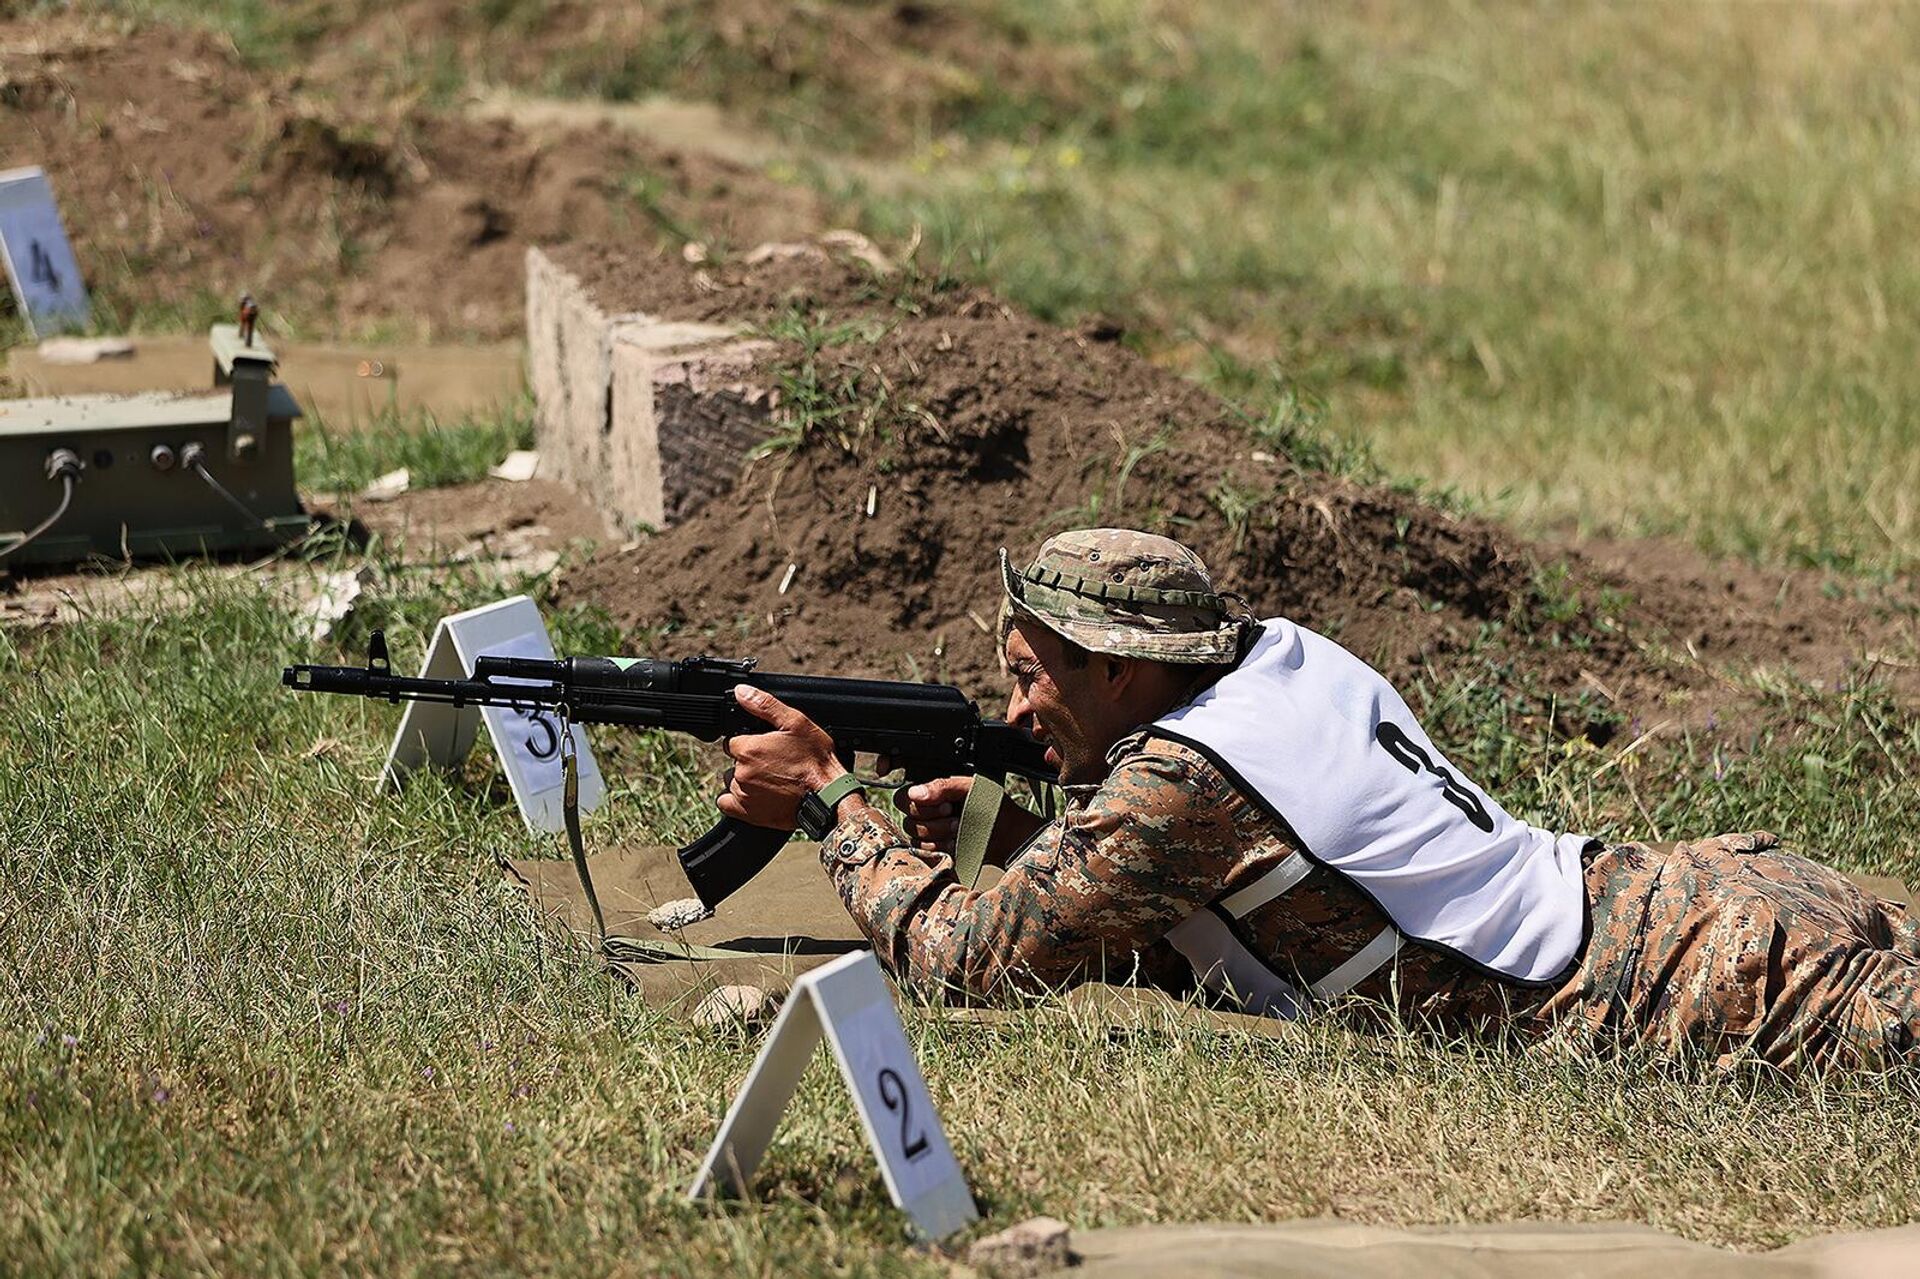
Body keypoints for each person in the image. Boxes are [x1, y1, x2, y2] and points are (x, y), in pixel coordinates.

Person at [718, 528, 1920, 1071]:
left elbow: (962, 960)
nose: (1021, 711)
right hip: (1713, 893)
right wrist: (1048, 848)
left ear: (1125, 669)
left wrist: (830, 799)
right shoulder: (1277, 658)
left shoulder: (1177, 784)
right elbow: (1270, 903)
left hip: (1702, 987)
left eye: (1032, 676)